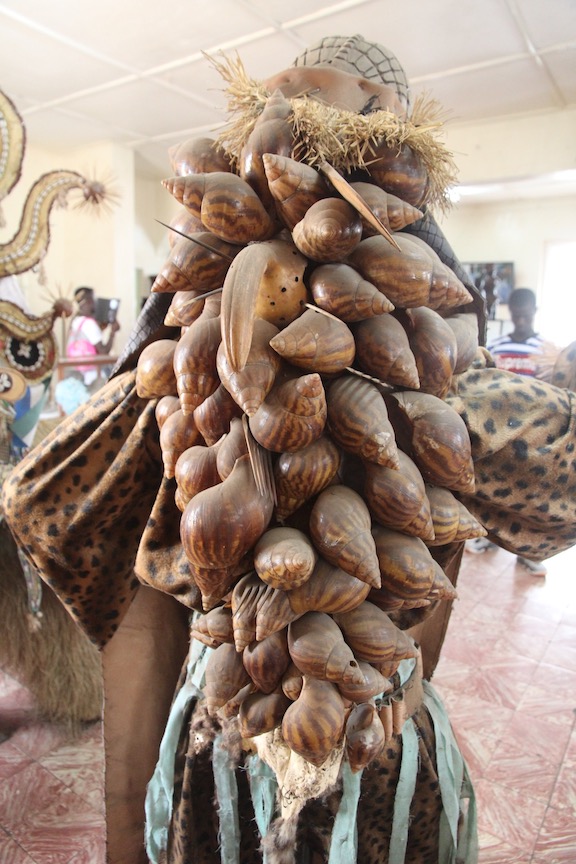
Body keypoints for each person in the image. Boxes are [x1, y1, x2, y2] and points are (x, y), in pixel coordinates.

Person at [3, 34, 576, 864]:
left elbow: (37, 499)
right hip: (372, 756)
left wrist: (127, 832)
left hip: (223, 766)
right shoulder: (458, 394)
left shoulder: (165, 391)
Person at [466, 288, 551, 573]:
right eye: (516, 315)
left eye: (526, 315)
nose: (521, 320)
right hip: (500, 430)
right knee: (493, 487)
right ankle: (488, 535)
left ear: (535, 312)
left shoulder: (544, 351)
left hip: (535, 434)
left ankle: (528, 550)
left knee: (531, 495)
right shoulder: (499, 347)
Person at [66, 285, 120, 387]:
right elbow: (103, 352)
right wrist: (112, 333)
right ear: (89, 301)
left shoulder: (75, 321)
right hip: (93, 376)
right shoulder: (89, 324)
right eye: (93, 298)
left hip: (77, 374)